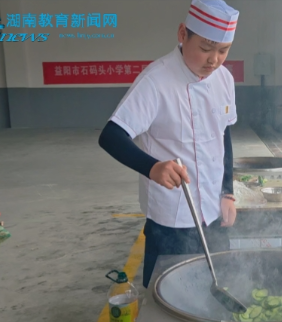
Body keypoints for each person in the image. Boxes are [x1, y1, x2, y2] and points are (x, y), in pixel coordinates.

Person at [98, 0, 240, 289]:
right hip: (172, 217)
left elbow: (223, 134)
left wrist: (228, 191)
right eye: (205, 47)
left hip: (213, 210)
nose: (213, 59)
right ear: (182, 34)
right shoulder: (156, 81)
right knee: (166, 298)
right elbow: (111, 135)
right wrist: (152, 167)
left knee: (218, 288)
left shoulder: (224, 79)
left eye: (223, 50)